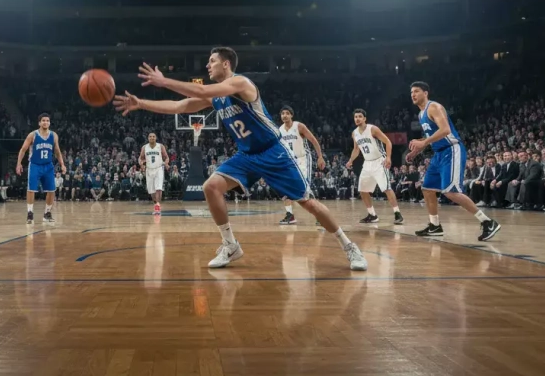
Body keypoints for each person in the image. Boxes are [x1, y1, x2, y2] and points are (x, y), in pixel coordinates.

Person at [114, 47, 367, 271]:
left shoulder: (241, 83)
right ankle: (230, 245)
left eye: (211, 61)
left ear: (226, 64)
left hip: (273, 152)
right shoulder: (216, 97)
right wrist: (142, 103)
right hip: (247, 155)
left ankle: (349, 246)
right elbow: (180, 106)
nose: (207, 65)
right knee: (211, 186)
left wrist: (163, 80)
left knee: (307, 203)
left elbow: (201, 88)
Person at [405, 82, 501, 241]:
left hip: (452, 149)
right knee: (427, 189)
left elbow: (445, 130)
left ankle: (488, 222)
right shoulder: (421, 114)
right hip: (438, 154)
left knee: (451, 191)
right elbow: (432, 135)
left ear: (426, 93)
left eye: (416, 91)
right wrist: (417, 149)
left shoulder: (434, 107)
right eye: (411, 92)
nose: (413, 95)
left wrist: (424, 143)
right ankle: (434, 225)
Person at [348, 109, 403, 225]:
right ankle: (372, 214)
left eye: (360, 116)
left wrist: (388, 157)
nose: (357, 118)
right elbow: (356, 149)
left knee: (386, 188)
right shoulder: (354, 133)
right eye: (355, 117)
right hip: (367, 163)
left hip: (379, 161)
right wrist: (350, 160)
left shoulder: (372, 129)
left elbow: (388, 142)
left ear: (364, 119)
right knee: (362, 190)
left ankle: (397, 213)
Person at [276, 106, 326, 226]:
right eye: (282, 113)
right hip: (289, 161)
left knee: (304, 188)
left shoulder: (299, 126)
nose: (284, 115)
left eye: (287, 113)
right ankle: (290, 215)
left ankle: (319, 215)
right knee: (285, 186)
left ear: (291, 115)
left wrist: (320, 156)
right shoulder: (280, 130)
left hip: (303, 159)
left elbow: (314, 140)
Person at [15, 113, 66, 224]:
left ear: (49, 123)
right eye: (43, 120)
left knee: (51, 190)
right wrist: (18, 164)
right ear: (39, 123)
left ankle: (47, 214)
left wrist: (62, 164)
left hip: (48, 166)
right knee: (31, 189)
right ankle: (30, 213)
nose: (45, 122)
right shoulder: (33, 135)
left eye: (47, 120)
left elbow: (57, 151)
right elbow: (23, 149)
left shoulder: (53, 135)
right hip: (35, 165)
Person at [140, 132, 169, 215]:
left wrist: (166, 163)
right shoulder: (144, 147)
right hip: (149, 169)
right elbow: (141, 158)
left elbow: (166, 157)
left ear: (156, 138)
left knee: (158, 187)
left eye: (153, 136)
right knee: (151, 191)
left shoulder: (160, 146)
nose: (152, 138)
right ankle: (155, 203)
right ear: (148, 138)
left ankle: (158, 206)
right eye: (150, 136)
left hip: (159, 168)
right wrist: (141, 164)